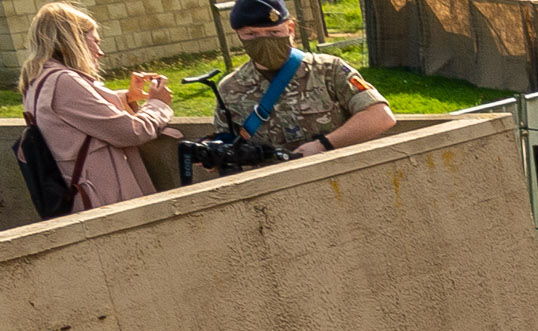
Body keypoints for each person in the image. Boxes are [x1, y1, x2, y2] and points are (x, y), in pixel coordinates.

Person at [18, 4, 173, 213]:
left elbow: (79, 116)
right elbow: (131, 132)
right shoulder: (64, 82)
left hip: (82, 201)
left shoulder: (38, 81)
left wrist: (127, 97)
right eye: (95, 42)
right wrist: (158, 104)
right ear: (73, 41)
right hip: (103, 202)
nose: (100, 52)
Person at [210, 0, 392, 162]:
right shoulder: (230, 89)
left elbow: (380, 116)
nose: (264, 41)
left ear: (290, 29)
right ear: (238, 34)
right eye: (251, 34)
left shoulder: (328, 70)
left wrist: (323, 145)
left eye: (274, 32)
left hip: (340, 181)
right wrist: (211, 153)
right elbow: (226, 142)